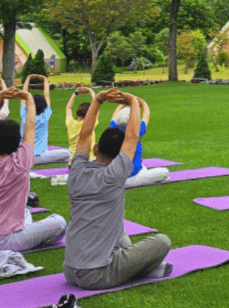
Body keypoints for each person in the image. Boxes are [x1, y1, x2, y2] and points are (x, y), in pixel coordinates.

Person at [64, 88, 172, 290]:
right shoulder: (115, 175)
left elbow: (85, 136)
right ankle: (143, 269)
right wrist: (132, 101)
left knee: (119, 229)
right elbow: (132, 137)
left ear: (96, 149)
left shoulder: (76, 170)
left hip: (70, 271)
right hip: (97, 275)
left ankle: (141, 267)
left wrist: (98, 100)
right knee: (162, 241)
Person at [0, 87, 66, 252]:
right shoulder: (20, 162)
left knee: (25, 213)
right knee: (59, 222)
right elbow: (30, 128)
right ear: (17, 141)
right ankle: (33, 241)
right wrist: (28, 98)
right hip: (5, 241)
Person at [110, 95, 169, 186]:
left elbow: (114, 115)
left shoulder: (113, 128)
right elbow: (146, 116)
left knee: (143, 167)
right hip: (132, 177)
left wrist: (122, 104)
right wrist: (143, 103)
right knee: (164, 172)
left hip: (117, 176)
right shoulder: (137, 130)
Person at [21, 74, 70, 164]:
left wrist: (28, 79)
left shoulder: (24, 114)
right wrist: (44, 80)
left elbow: (24, 95)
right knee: (67, 153)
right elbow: (47, 95)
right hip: (38, 157)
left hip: (22, 157)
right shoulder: (44, 115)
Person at [66, 87, 97, 161]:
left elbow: (68, 108)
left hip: (73, 164)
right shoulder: (90, 123)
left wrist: (75, 93)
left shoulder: (70, 122)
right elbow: (96, 105)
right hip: (89, 162)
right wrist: (90, 91)